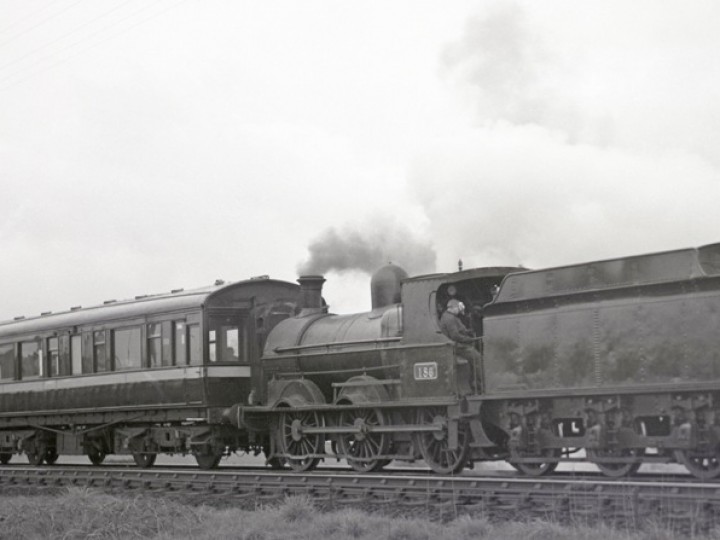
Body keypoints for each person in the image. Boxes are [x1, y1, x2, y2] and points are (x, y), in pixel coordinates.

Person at [439, 298, 482, 393]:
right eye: (458, 308)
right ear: (453, 308)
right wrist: (469, 340)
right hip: (456, 346)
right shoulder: (449, 318)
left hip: (458, 345)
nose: (459, 310)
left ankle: (473, 383)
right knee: (477, 357)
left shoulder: (451, 317)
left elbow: (460, 330)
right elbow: (455, 335)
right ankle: (480, 385)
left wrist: (468, 331)